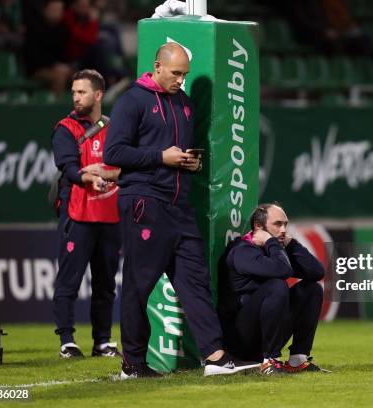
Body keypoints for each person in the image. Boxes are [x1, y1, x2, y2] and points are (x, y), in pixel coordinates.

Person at [103, 43, 260, 378]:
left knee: (195, 283)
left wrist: (187, 161)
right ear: (157, 66)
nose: (180, 80)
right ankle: (133, 364)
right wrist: (162, 157)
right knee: (137, 285)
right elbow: (114, 153)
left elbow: (171, 153)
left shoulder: (185, 105)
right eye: (175, 73)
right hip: (145, 203)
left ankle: (215, 358)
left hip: (179, 207)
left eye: (185, 75)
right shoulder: (132, 102)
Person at [51, 69, 122, 359]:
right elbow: (66, 166)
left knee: (105, 286)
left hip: (110, 217)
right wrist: (87, 178)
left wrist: (110, 173)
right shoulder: (66, 128)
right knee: (69, 282)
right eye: (74, 92)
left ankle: (102, 342)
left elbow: (126, 163)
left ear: (99, 95)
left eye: (82, 92)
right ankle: (67, 340)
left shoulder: (114, 128)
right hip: (78, 215)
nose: (76, 97)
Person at [217, 203, 327, 375]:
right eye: (277, 224)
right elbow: (282, 271)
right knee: (276, 285)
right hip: (240, 339)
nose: (283, 230)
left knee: (312, 289)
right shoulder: (242, 250)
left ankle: (297, 359)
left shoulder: (275, 249)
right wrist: (270, 242)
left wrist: (291, 244)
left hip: (267, 332)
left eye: (285, 224)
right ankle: (270, 362)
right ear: (258, 227)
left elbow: (317, 272)